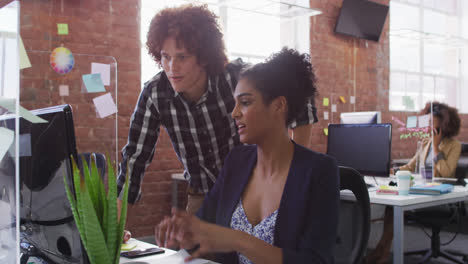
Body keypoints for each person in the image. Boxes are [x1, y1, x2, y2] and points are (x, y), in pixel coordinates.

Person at [116, 4, 318, 240]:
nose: (172, 67)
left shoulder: (238, 78)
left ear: (203, 56)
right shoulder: (155, 93)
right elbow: (134, 159)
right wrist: (116, 228)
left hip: (251, 193)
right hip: (202, 196)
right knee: (190, 254)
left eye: (182, 57)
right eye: (165, 57)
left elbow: (302, 103)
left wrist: (293, 170)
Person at [155, 48, 340, 264]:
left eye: (245, 102)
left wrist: (239, 240)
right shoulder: (237, 161)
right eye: (235, 103)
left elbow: (316, 261)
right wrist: (184, 235)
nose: (234, 113)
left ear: (278, 106)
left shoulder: (319, 170)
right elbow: (204, 226)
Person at [367, 101, 462, 264]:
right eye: (428, 121)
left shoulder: (454, 145)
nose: (427, 126)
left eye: (432, 122)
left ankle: (381, 252)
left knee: (397, 206)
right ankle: (382, 250)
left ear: (444, 124)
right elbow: (410, 167)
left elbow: (446, 172)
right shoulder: (425, 144)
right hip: (422, 191)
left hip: (440, 197)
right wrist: (393, 171)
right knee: (392, 205)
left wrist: (437, 148)